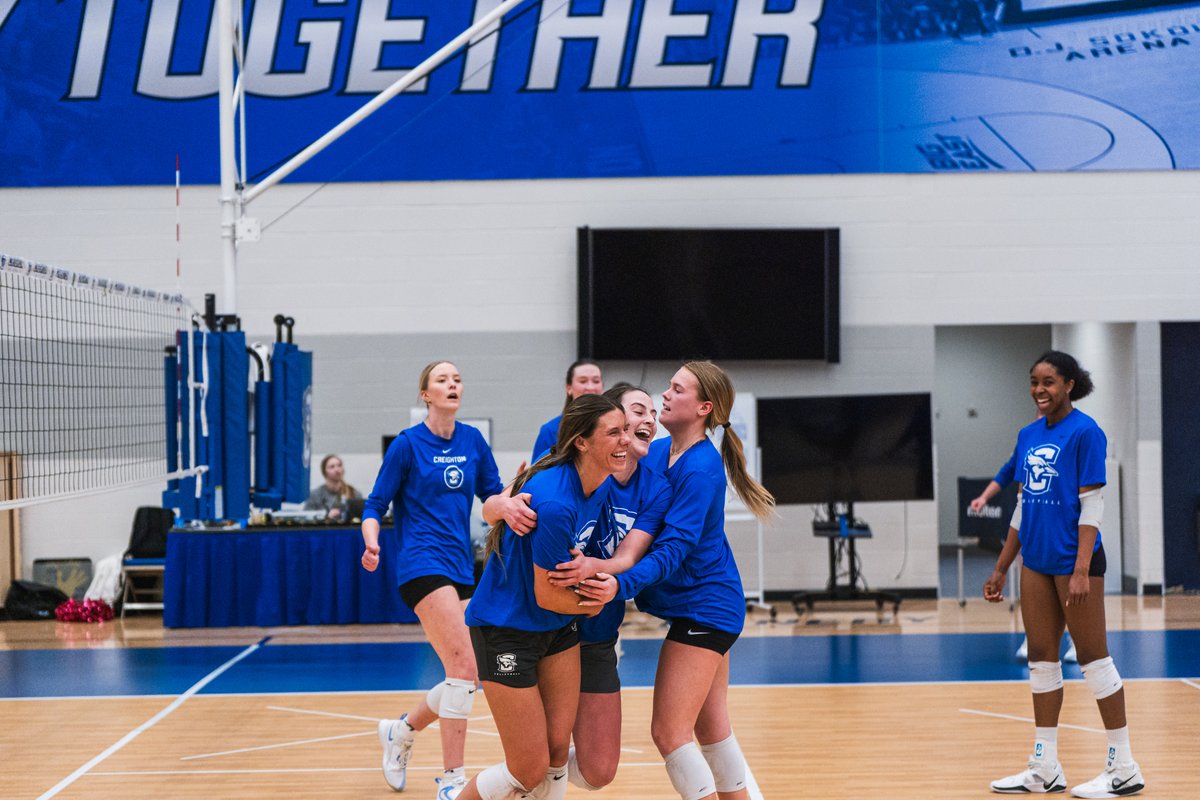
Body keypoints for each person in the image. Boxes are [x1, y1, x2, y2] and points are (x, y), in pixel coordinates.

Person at [602, 361, 774, 800]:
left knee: (668, 732)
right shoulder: (659, 452)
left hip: (707, 610)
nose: (665, 394)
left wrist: (620, 585)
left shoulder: (701, 469)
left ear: (703, 407)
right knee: (713, 732)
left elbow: (673, 549)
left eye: (677, 389)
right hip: (702, 607)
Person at [984, 351, 1145, 798]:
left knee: (1094, 660)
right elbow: (1022, 503)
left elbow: (1092, 505)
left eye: (1049, 382)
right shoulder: (1027, 435)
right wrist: (1001, 566)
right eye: (1034, 382)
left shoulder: (1086, 432)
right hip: (1035, 560)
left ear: (1069, 385)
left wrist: (1079, 570)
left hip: (1076, 562)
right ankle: (1044, 767)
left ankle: (1124, 766)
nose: (1040, 390)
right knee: (1041, 659)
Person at [455, 393, 630, 800]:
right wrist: (603, 599)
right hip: (507, 629)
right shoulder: (555, 502)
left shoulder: (600, 481)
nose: (625, 440)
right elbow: (548, 595)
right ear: (582, 442)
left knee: (555, 753)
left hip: (558, 629)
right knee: (527, 766)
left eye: (626, 430)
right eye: (614, 432)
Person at [362, 361, 518, 800]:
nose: (452, 384)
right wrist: (372, 543)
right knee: (465, 666)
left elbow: (493, 496)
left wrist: (523, 490)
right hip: (420, 565)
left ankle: (401, 730)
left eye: (457, 379)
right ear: (425, 395)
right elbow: (375, 505)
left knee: (467, 671)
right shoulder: (408, 446)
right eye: (441, 380)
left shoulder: (472, 440)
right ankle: (451, 779)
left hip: (461, 566)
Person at [545, 383, 673, 791]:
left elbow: (629, 557)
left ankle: (531, 767)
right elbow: (513, 499)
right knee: (541, 757)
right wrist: (499, 505)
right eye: (639, 410)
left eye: (653, 413)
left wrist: (592, 569)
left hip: (599, 631)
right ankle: (529, 768)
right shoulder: (577, 472)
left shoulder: (655, 487)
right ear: (612, 423)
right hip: (551, 629)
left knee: (599, 771)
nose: (649, 420)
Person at [971, 419, 1077, 663]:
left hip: (1062, 531)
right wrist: (984, 497)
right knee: (1032, 582)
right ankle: (1034, 636)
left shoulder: (1076, 434)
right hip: (1033, 523)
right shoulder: (1027, 437)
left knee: (1069, 591)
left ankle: (1075, 640)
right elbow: (1007, 470)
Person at [532, 359, 604, 461]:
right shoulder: (550, 430)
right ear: (569, 388)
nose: (590, 387)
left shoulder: (616, 427)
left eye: (596, 381)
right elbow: (538, 473)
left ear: (602, 387)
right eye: (583, 381)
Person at [304, 454, 361, 521]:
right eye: (332, 467)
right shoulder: (315, 495)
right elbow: (307, 517)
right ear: (324, 472)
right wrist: (326, 516)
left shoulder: (353, 493)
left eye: (339, 465)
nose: (337, 469)